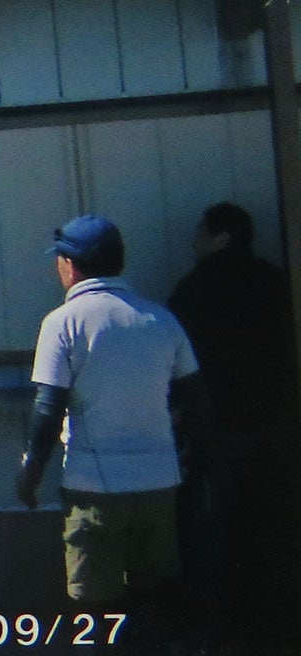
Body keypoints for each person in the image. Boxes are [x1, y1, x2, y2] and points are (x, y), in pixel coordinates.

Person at [16, 215, 206, 645]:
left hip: (93, 487)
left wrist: (31, 470)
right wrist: (195, 458)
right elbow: (196, 397)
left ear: (71, 265)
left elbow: (48, 409)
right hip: (159, 481)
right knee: (155, 591)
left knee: (93, 603)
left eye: (60, 260)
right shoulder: (161, 320)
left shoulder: (63, 323)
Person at [166, 201, 299, 645]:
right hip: (279, 423)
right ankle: (278, 618)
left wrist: (181, 418)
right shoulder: (276, 281)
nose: (194, 240)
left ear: (221, 236)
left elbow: (178, 365)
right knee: (275, 520)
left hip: (218, 427)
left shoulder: (194, 289)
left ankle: (223, 622)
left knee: (218, 524)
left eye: (201, 231)